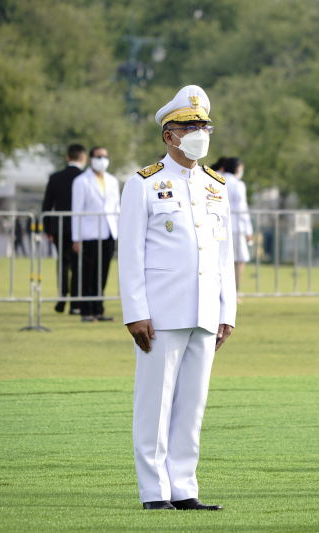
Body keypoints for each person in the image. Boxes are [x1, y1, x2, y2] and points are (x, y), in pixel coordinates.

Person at [119, 85, 236, 511]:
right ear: (170, 135)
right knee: (155, 405)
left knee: (192, 406)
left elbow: (224, 254)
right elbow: (130, 253)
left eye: (204, 124)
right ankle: (154, 493)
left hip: (205, 310)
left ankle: (184, 489)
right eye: (190, 125)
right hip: (161, 313)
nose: (200, 132)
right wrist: (136, 312)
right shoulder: (144, 183)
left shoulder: (216, 185)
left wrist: (228, 312)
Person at [71, 146, 120, 323]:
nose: (103, 160)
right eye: (99, 156)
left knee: (103, 273)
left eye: (105, 156)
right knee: (88, 274)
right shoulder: (81, 181)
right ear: (90, 159)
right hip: (89, 234)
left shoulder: (112, 181)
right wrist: (76, 238)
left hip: (108, 233)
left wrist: (119, 233)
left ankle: (99, 310)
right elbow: (76, 211)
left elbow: (116, 208)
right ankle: (87, 311)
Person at [42, 144, 86, 314]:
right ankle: (75, 303)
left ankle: (62, 296)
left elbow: (47, 204)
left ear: (68, 157)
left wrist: (47, 229)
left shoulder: (55, 177)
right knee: (77, 265)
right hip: (80, 228)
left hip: (59, 227)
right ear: (83, 158)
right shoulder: (85, 178)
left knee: (62, 262)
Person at [223, 157, 253, 298]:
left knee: (223, 260)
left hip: (220, 226)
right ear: (237, 169)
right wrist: (249, 230)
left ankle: (224, 292)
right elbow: (242, 208)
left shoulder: (217, 180)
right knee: (240, 260)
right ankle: (234, 293)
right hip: (237, 227)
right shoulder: (238, 184)